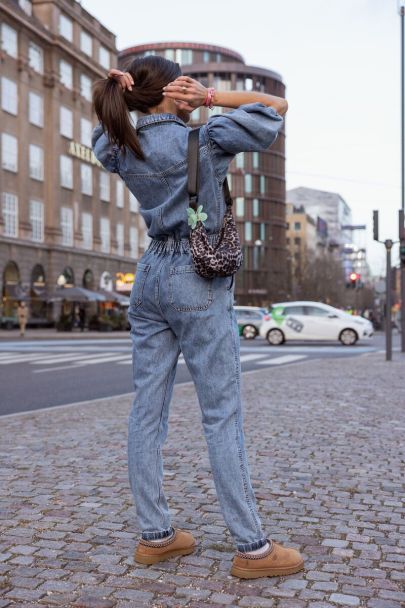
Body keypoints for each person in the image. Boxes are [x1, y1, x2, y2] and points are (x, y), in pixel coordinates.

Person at [92, 56, 304, 579]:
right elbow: (275, 110)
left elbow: (101, 139)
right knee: (221, 414)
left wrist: (126, 96)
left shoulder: (124, 143)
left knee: (147, 410)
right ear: (175, 91)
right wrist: (208, 98)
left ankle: (156, 536)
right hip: (197, 274)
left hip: (149, 276)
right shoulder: (205, 138)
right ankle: (253, 549)